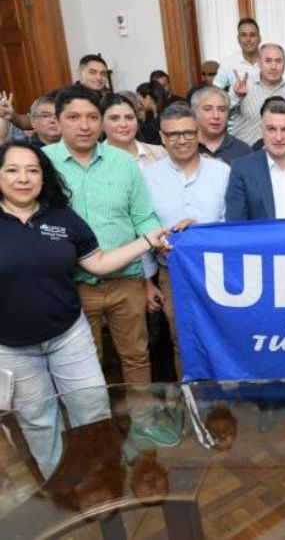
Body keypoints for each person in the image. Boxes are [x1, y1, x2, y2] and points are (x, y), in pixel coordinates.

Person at [0, 142, 169, 477]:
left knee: (92, 407)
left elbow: (99, 262)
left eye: (32, 170)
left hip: (68, 336)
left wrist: (148, 240)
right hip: (12, 348)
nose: (23, 178)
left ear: (44, 177)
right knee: (37, 420)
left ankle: (101, 478)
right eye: (12, 170)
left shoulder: (63, 217)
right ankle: (59, 483)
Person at [44, 86, 163, 384]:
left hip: (127, 280)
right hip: (72, 285)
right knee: (84, 366)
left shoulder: (123, 162)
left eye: (92, 117)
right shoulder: (42, 163)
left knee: (136, 356)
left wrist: (164, 241)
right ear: (57, 121)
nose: (84, 125)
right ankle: (97, 416)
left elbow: (142, 216)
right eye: (74, 117)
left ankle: (142, 415)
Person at [143, 105, 230, 378]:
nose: (182, 140)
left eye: (189, 133)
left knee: (224, 338)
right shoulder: (147, 176)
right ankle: (191, 399)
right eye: (173, 134)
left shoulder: (222, 172)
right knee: (182, 341)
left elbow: (233, 222)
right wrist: (147, 281)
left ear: (198, 133)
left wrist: (200, 233)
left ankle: (227, 400)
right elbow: (142, 226)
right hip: (172, 274)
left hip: (219, 273)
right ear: (162, 137)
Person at [229, 43, 285, 147]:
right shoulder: (242, 87)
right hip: (245, 152)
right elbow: (222, 115)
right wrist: (236, 96)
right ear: (259, 62)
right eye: (268, 61)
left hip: (280, 152)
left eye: (278, 61)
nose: (273, 67)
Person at [101, 93, 167, 168]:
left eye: (129, 117)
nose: (123, 124)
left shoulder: (158, 153)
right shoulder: (94, 160)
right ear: (101, 124)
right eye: (114, 118)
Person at [191, 86, 250, 165]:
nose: (216, 116)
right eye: (208, 109)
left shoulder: (243, 151)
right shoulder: (184, 146)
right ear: (194, 113)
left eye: (222, 110)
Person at [213, 17, 262, 90]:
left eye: (252, 35)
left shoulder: (270, 61)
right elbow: (215, 90)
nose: (248, 39)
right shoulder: (228, 63)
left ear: (259, 39)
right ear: (238, 39)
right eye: (243, 35)